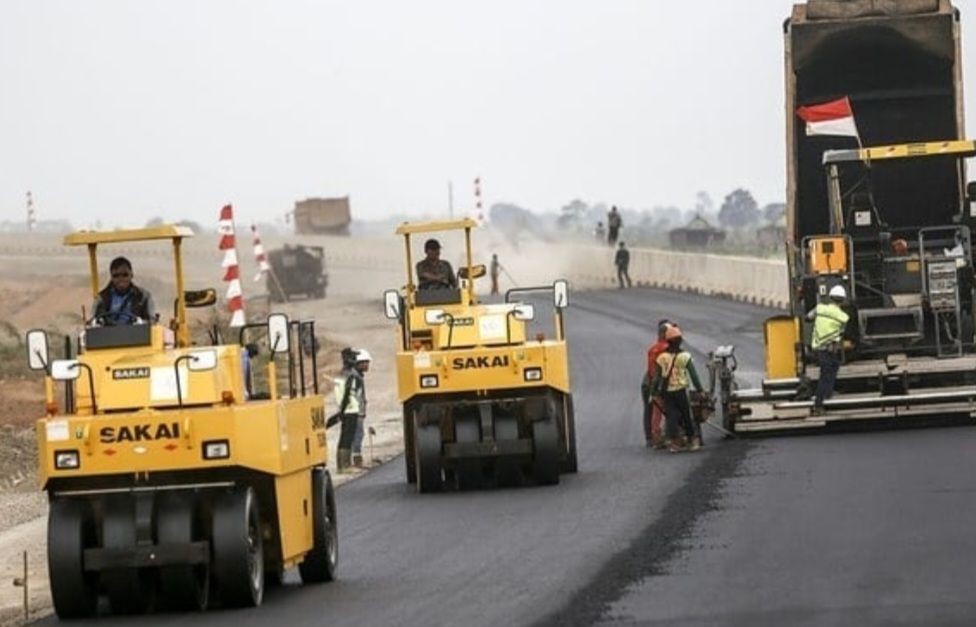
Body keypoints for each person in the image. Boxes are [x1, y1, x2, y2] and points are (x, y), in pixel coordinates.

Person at [651, 325, 704, 453]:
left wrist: (653, 393)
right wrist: (700, 389)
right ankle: (693, 440)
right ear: (680, 340)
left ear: (667, 341)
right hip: (682, 391)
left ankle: (676, 443)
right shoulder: (685, 356)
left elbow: (657, 377)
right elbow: (693, 375)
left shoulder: (662, 358)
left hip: (668, 392)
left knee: (672, 417)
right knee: (687, 415)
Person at [807, 285, 849, 415]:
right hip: (831, 348)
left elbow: (808, 317)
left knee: (826, 373)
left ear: (830, 298)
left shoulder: (819, 309)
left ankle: (824, 397)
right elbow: (840, 333)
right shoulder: (843, 317)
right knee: (830, 371)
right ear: (842, 300)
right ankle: (821, 401)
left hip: (819, 347)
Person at [92, 256, 157, 325]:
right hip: (108, 333)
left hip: (136, 333)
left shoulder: (143, 296)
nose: (121, 279)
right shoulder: (101, 298)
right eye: (116, 276)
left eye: (125, 275)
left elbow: (152, 321)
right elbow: (93, 321)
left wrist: (141, 323)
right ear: (111, 277)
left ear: (131, 275)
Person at [333, 347, 365, 472]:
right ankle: (345, 466)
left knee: (344, 437)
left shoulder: (341, 374)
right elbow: (348, 393)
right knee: (348, 437)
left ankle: (341, 465)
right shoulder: (351, 375)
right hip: (350, 409)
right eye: (354, 357)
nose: (356, 359)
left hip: (344, 408)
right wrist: (344, 409)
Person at [642, 320, 672, 448]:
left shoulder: (652, 349)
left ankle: (651, 438)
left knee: (650, 410)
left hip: (648, 382)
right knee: (664, 409)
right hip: (657, 383)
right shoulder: (666, 349)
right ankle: (664, 436)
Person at [351, 348, 371, 468]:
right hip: (355, 412)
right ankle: (356, 459)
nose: (368, 365)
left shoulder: (357, 376)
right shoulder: (355, 377)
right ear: (360, 363)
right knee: (357, 435)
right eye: (366, 362)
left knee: (357, 434)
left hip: (356, 411)